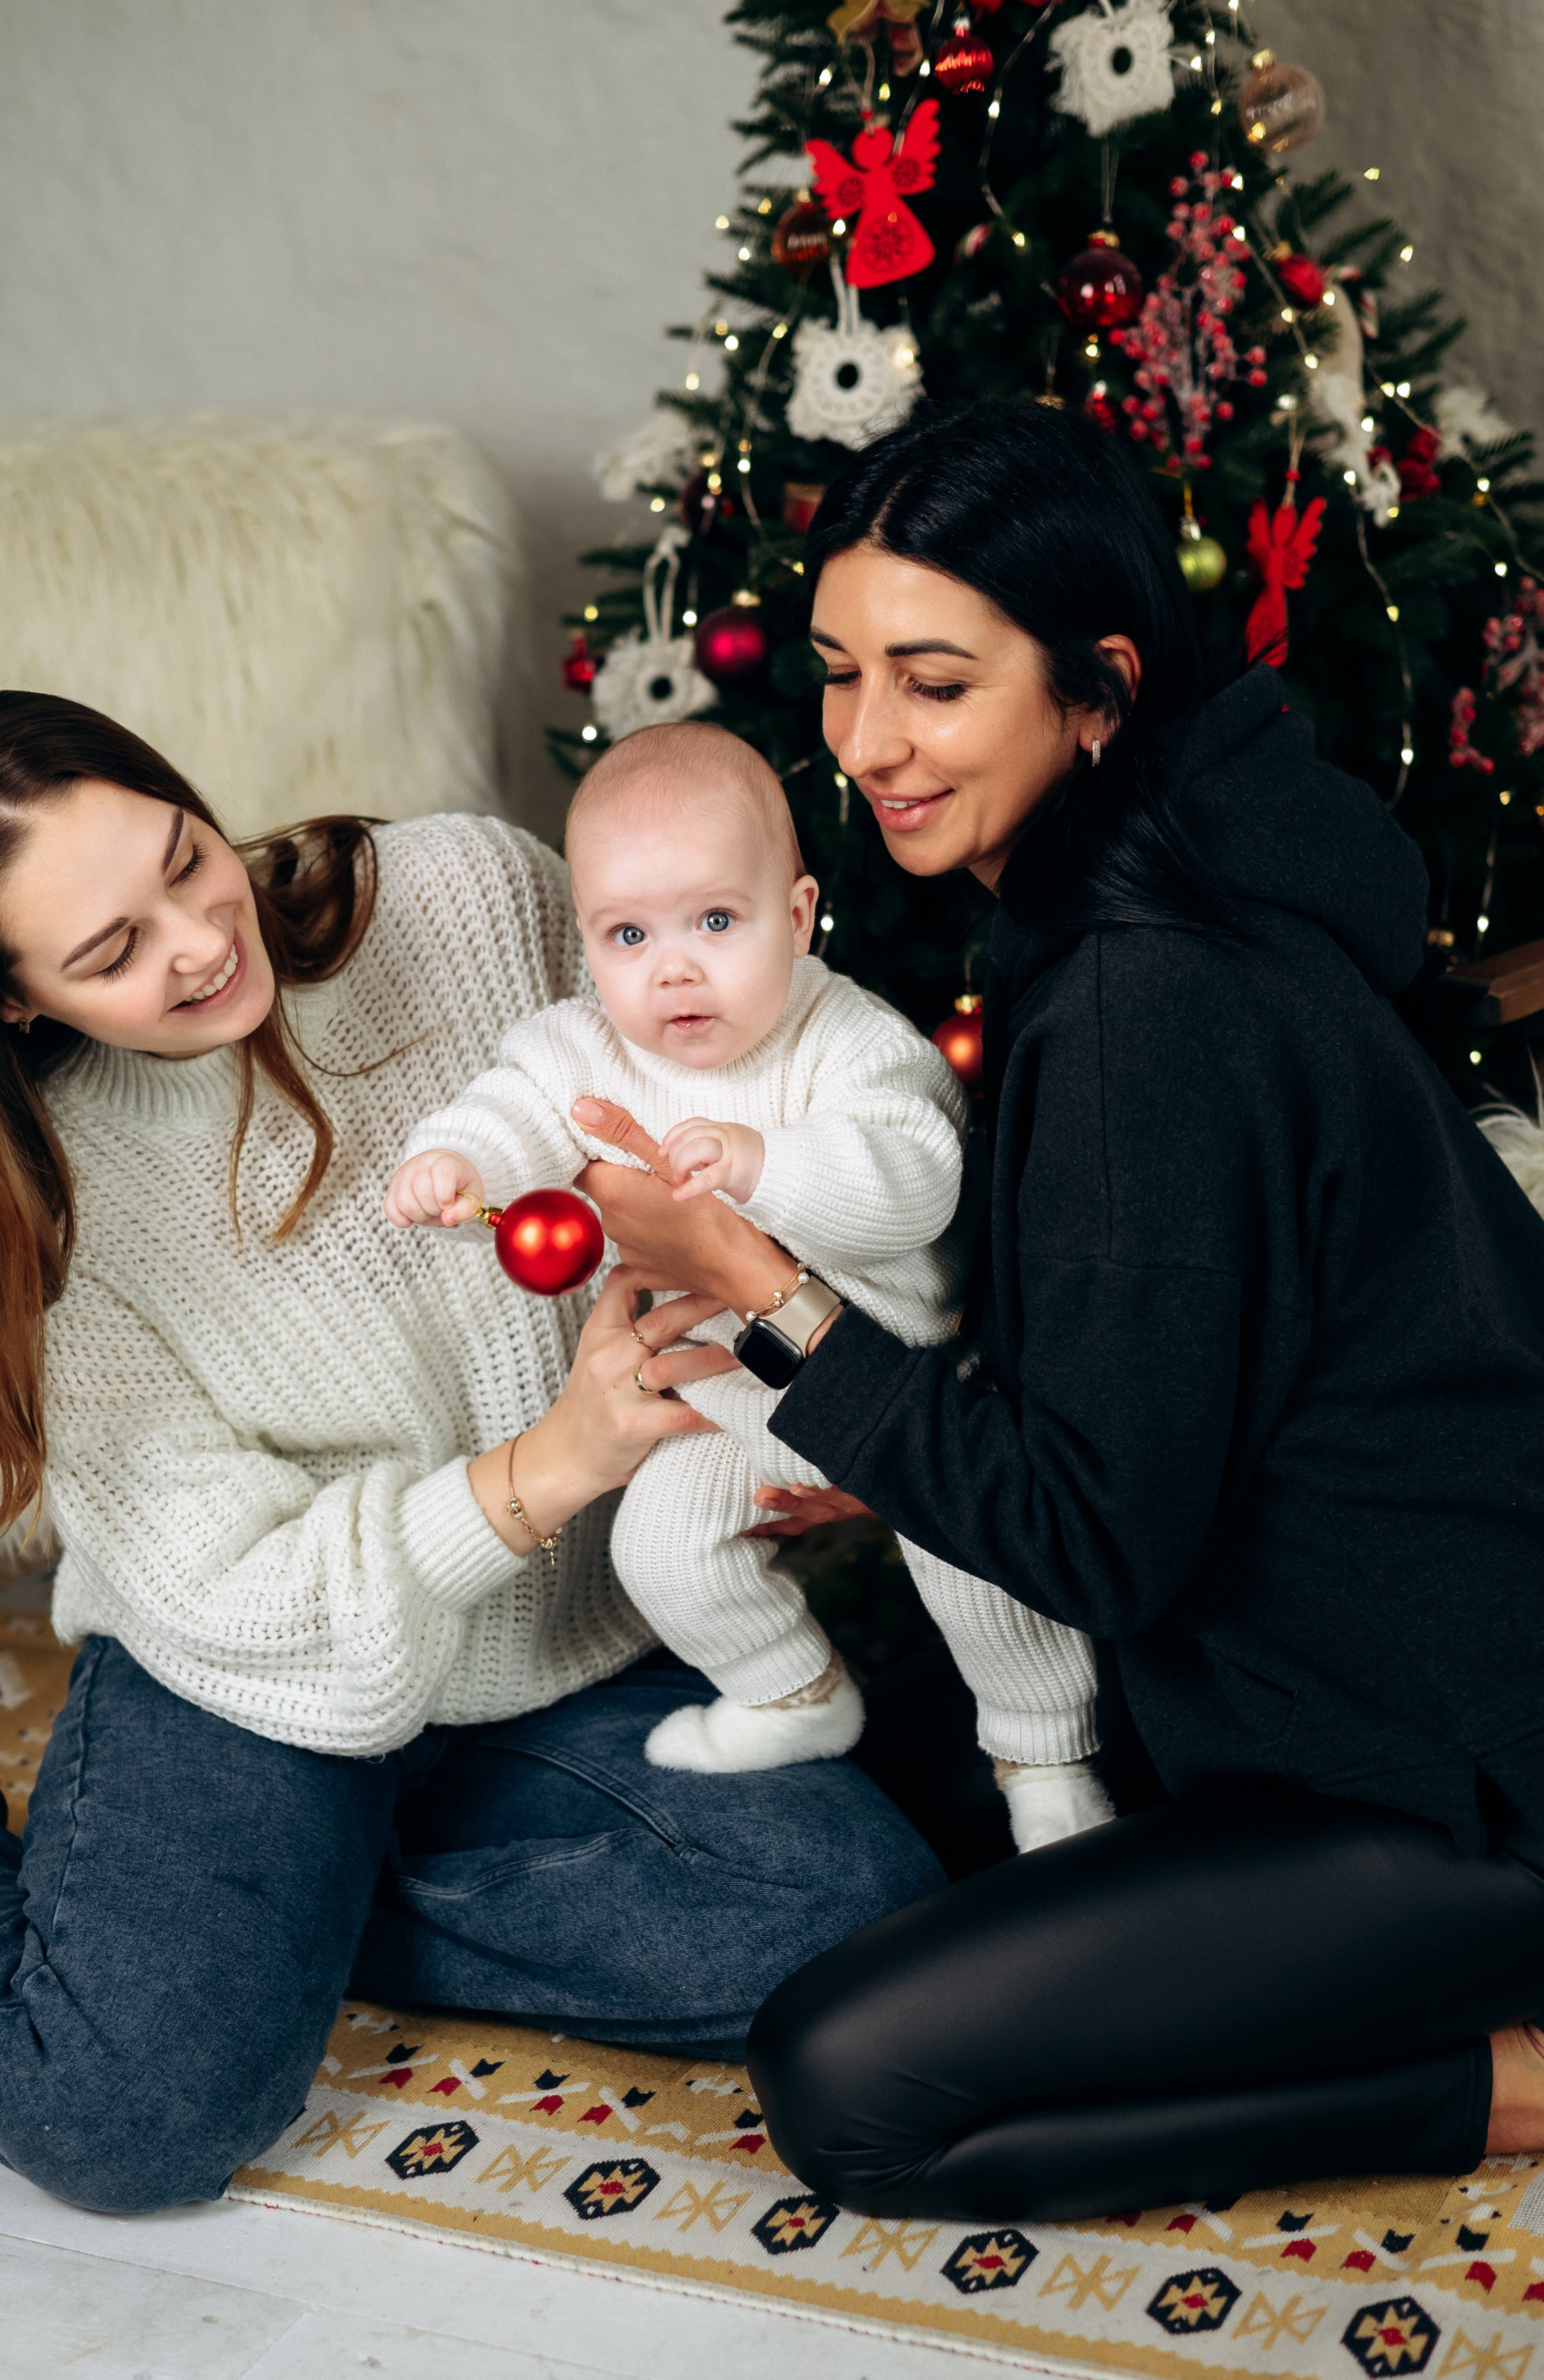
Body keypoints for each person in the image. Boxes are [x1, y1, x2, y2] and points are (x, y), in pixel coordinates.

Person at [571, 402, 1544, 2220]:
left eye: (935, 685)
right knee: (891, 1802)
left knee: (850, 2085)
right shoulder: (1162, 871)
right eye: (845, 672)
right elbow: (1167, 1354)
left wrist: (761, 1288)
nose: (866, 743)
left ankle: (1492, 2081)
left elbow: (1097, 1538)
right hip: (1390, 1666)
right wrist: (890, 1458)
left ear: (1093, 688)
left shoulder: (1142, 1007)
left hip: (1454, 1775)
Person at [0, 690, 942, 2216]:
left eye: (185, 858)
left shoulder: (468, 894)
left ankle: (276, 1923)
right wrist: (551, 1461)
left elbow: (776, 1045)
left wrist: (844, 1368)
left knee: (861, 1917)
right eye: (109, 952)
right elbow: (221, 1579)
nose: (199, 940)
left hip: (555, 1649)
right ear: (8, 1002)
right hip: (253, 1657)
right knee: (125, 2112)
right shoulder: (47, 1209)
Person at [384, 719, 1108, 1844]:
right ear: (588, 945)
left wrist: (766, 1168)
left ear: (797, 914)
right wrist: (458, 1162)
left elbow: (915, 1180)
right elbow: (514, 1107)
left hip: (901, 1385)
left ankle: (1043, 1757)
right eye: (629, 934)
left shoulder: (843, 1037)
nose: (674, 966)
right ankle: (793, 1695)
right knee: (657, 1550)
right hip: (733, 1402)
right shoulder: (583, 1046)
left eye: (715, 921)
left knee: (976, 1564)